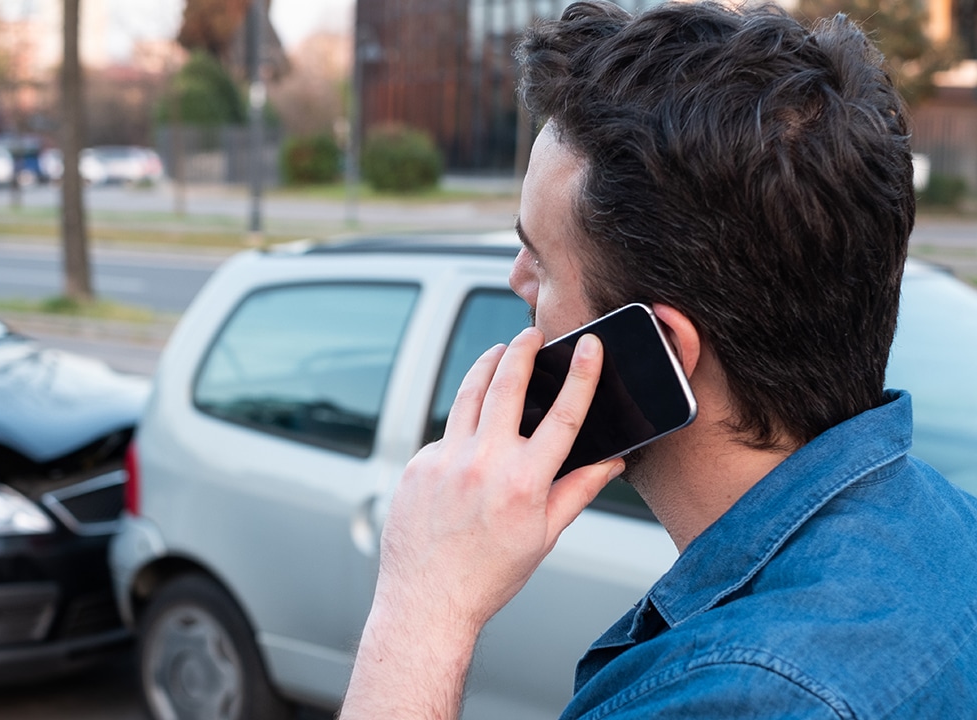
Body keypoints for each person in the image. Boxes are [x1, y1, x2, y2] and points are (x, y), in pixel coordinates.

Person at [341, 2, 977, 718]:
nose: (517, 280)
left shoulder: (741, 695)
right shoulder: (954, 531)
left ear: (660, 351)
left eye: (542, 262)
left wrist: (424, 606)